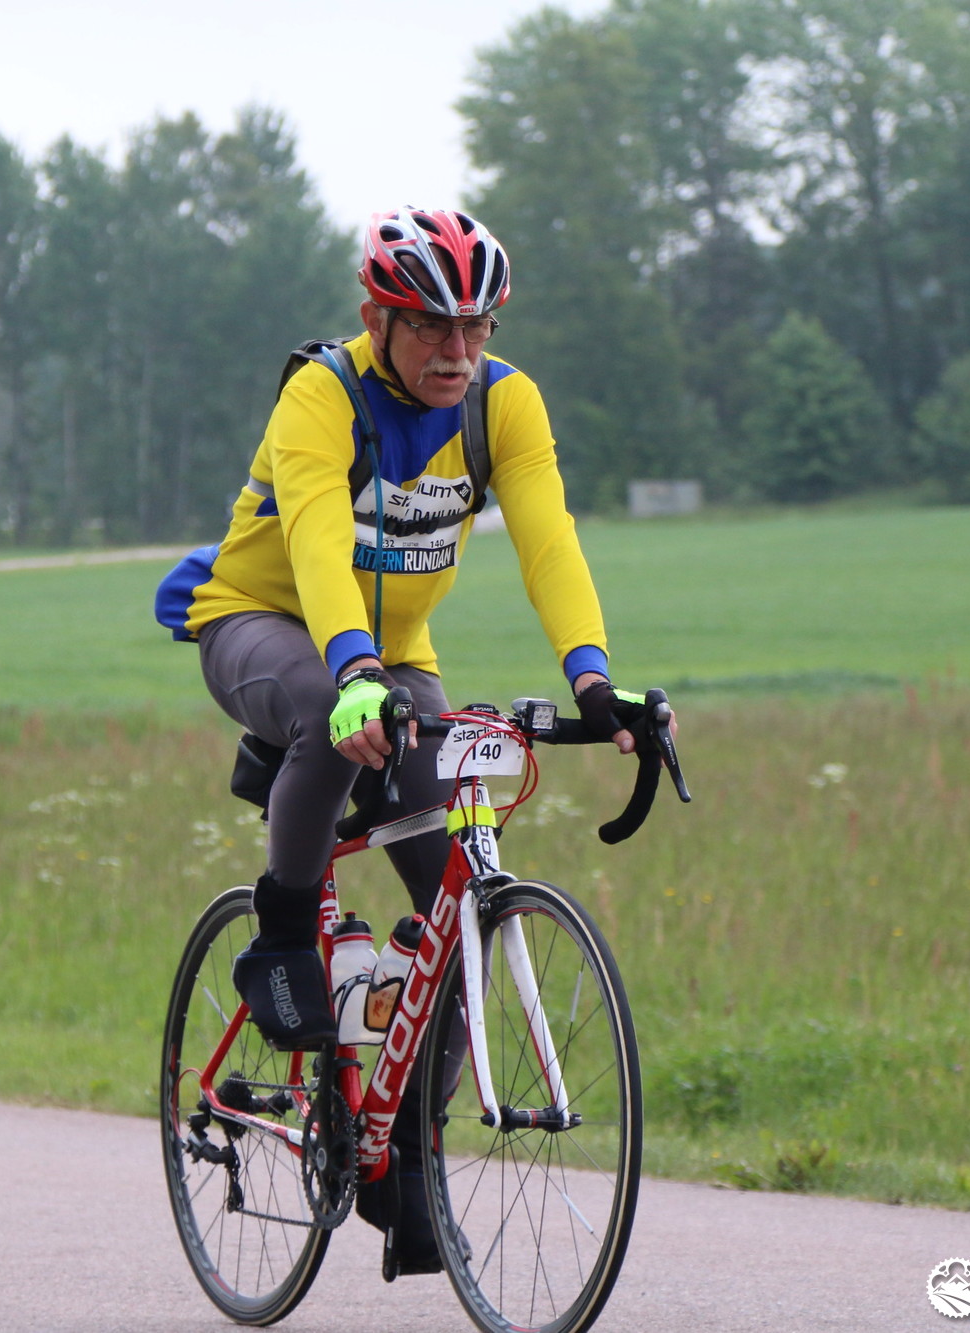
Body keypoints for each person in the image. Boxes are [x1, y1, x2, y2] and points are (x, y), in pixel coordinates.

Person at [153, 205, 658, 1273]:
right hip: (263, 622)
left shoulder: (503, 403)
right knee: (329, 720)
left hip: (395, 654)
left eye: (475, 326)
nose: (457, 350)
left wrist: (592, 676)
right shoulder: (321, 394)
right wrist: (350, 672)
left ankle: (406, 1159)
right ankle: (284, 931)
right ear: (376, 318)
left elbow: (548, 541)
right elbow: (315, 542)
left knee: (452, 911)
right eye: (431, 326)